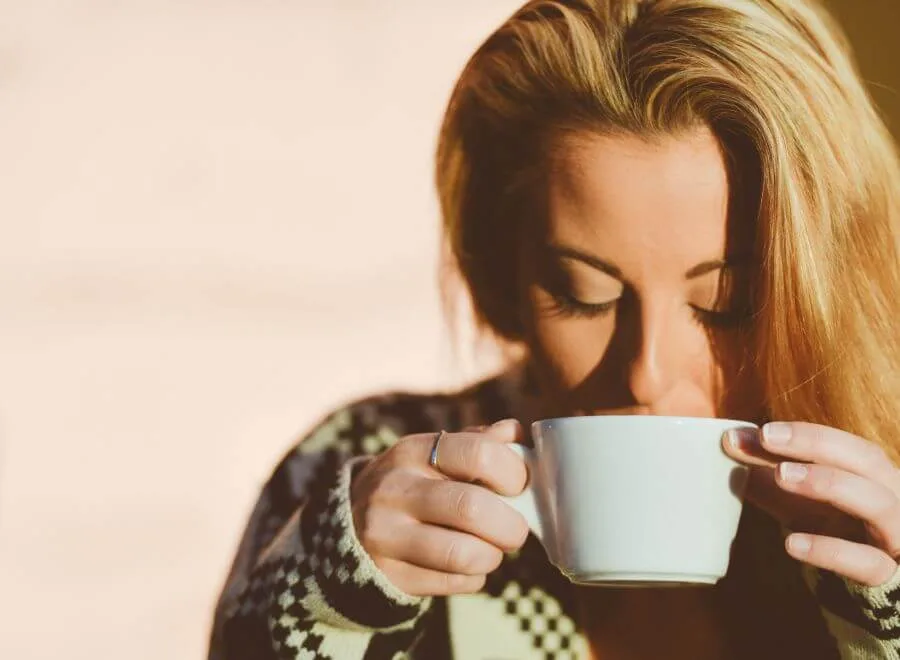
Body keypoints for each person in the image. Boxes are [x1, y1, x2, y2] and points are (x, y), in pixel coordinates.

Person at [208, 0, 900, 658]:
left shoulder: (883, 510)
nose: (646, 372)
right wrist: (327, 604)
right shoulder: (366, 463)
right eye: (584, 295)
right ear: (504, 269)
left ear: (826, 283)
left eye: (728, 303)